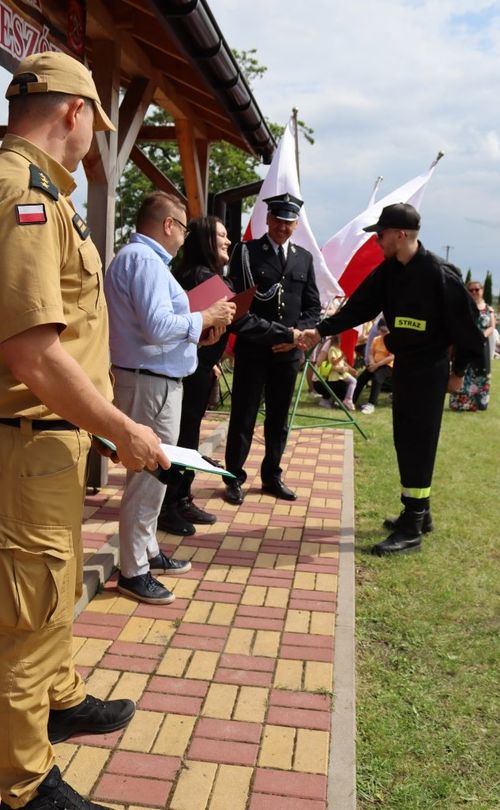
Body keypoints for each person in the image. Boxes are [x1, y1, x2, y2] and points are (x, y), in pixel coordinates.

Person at [0, 51, 170, 810]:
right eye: (94, 123)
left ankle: (57, 699)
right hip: (24, 438)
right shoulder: (22, 196)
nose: (92, 138)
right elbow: (30, 351)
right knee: (27, 614)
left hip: (50, 439)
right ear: (73, 112)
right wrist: (119, 425)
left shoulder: (45, 194)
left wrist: (95, 423)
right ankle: (21, 782)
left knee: (52, 585)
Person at [299, 203, 485, 555]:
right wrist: (319, 330)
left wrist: (458, 372)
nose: (377, 242)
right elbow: (358, 309)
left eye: (381, 235)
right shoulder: (389, 272)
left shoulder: (440, 276)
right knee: (406, 439)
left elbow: (469, 331)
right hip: (406, 367)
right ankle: (420, 513)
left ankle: (412, 527)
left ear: (400, 235)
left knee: (418, 442)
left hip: (430, 370)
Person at [104, 196, 236, 604]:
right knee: (147, 475)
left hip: (156, 381)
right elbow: (158, 326)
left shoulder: (144, 261)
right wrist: (205, 316)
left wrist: (197, 329)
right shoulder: (143, 261)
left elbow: (160, 325)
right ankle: (133, 570)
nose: (184, 235)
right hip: (150, 383)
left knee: (156, 473)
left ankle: (144, 552)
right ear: (168, 225)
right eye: (183, 226)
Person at [158, 215, 296, 533]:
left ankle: (180, 498)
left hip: (197, 368)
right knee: (182, 439)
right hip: (189, 372)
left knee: (187, 436)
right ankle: (169, 505)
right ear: (206, 239)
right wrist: (288, 334)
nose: (228, 241)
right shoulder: (202, 276)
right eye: (221, 234)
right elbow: (241, 322)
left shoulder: (198, 273)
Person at [222, 193, 321, 505]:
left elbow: (313, 307)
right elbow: (238, 309)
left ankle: (272, 475)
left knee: (278, 419)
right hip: (255, 350)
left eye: (289, 222)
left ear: (296, 225)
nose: (282, 227)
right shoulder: (246, 252)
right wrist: (283, 333)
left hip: (287, 355)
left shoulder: (304, 258)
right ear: (267, 219)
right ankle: (234, 476)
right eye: (278, 220)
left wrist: (294, 338)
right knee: (243, 416)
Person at [449, 281, 495, 412]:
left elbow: (492, 326)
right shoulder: (464, 307)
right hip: (465, 344)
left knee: (481, 373)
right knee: (463, 371)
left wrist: (482, 335)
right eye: (471, 290)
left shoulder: (489, 309)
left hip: (482, 345)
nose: (474, 292)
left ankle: (479, 403)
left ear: (482, 290)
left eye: (477, 289)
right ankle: (460, 404)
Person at [352, 318, 394, 413]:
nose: (383, 333)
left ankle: (371, 404)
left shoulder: (392, 340)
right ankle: (351, 401)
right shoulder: (376, 339)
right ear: (378, 329)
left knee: (377, 377)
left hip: (388, 366)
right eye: (381, 331)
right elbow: (371, 353)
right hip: (375, 364)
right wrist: (371, 363)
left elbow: (391, 357)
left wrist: (376, 365)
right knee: (361, 379)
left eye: (385, 331)